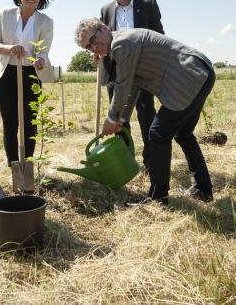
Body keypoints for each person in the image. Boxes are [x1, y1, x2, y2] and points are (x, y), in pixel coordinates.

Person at [75, 18, 214, 206]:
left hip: (189, 77)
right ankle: (202, 190)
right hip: (199, 73)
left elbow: (122, 85)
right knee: (184, 134)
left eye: (92, 40)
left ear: (104, 28)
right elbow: (132, 86)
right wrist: (121, 118)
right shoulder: (118, 48)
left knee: (157, 134)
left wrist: (110, 118)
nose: (94, 48)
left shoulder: (122, 43)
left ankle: (158, 197)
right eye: (88, 48)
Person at [100, 0, 164, 171]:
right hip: (116, 72)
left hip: (143, 71)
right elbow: (102, 40)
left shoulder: (148, 5)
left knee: (147, 116)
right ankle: (126, 162)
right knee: (119, 119)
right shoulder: (106, 10)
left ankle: (151, 162)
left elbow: (159, 37)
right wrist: (96, 51)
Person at [0, 0, 54, 170]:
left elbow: (43, 50)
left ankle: (27, 168)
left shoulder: (46, 21)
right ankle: (14, 169)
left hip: (31, 75)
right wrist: (9, 49)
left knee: (29, 125)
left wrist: (41, 59)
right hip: (7, 73)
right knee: (10, 125)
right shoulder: (5, 14)